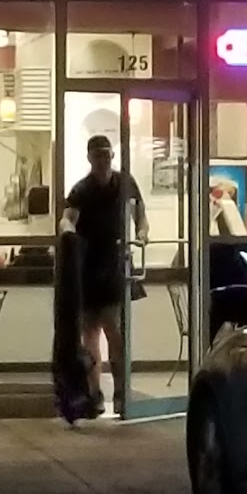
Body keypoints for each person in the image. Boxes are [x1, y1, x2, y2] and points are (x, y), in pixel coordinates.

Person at [60, 135, 147, 418]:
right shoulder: (82, 189)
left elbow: (139, 213)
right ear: (89, 158)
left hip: (114, 265)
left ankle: (121, 394)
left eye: (107, 155)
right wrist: (67, 232)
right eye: (98, 156)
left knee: (114, 331)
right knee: (90, 334)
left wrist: (142, 233)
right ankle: (94, 395)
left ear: (112, 156)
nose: (103, 161)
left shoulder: (125, 183)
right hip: (87, 267)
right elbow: (68, 217)